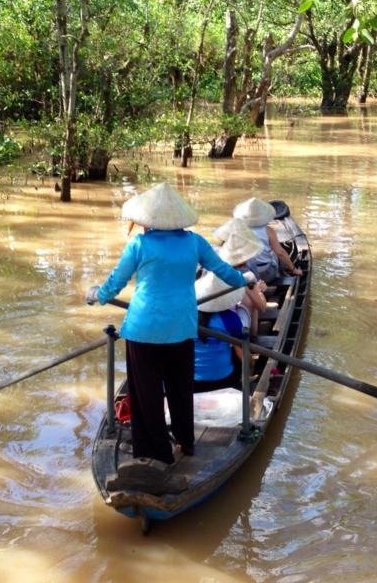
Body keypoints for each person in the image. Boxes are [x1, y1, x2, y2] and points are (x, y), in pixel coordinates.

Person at [86, 182, 247, 476]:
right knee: (179, 388)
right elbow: (226, 272)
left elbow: (114, 283)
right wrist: (242, 281)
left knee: (146, 393)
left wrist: (96, 295)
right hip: (181, 328)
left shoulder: (139, 244)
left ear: (147, 221)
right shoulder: (195, 242)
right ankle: (186, 442)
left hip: (142, 331)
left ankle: (156, 454)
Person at [231, 197, 302, 283]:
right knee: (277, 253)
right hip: (265, 274)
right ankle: (283, 273)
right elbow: (280, 253)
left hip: (246, 273)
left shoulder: (238, 230)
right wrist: (294, 269)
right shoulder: (268, 230)